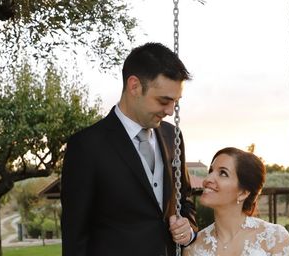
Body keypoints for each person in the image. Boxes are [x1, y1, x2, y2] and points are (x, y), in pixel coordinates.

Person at [61, 42, 198, 256]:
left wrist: (187, 228)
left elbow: (184, 200)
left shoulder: (174, 137)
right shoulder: (86, 145)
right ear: (134, 86)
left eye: (175, 102)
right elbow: (75, 233)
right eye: (164, 101)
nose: (170, 111)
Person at [184, 147, 289, 256]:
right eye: (211, 171)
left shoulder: (274, 238)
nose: (207, 180)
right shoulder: (194, 248)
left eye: (223, 173)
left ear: (243, 193)